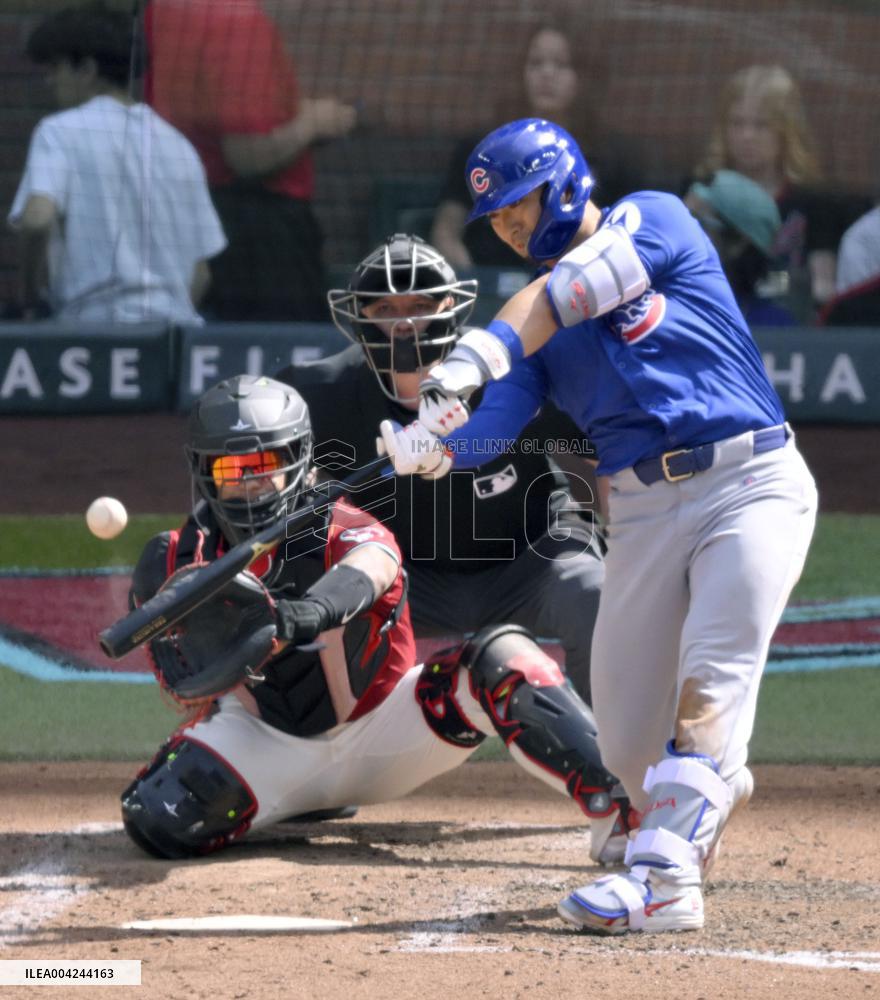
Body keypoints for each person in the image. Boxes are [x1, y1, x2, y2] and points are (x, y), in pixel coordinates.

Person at [379, 118, 818, 934]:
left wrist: (474, 354)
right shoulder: (535, 338)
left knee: (714, 672)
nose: (511, 226)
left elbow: (560, 295)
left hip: (749, 482)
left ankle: (664, 886)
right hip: (646, 512)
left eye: (519, 204)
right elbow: (494, 429)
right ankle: (700, 788)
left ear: (566, 178)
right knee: (624, 749)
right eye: (498, 219)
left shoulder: (654, 219)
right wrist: (435, 450)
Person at [120, 374, 633, 865]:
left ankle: (621, 805)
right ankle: (296, 800)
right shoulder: (176, 562)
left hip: (385, 732)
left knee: (502, 657)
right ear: (204, 473)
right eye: (232, 471)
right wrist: (206, 641)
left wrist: (305, 614)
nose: (252, 483)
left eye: (267, 463)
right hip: (263, 741)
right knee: (154, 819)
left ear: (300, 459)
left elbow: (372, 567)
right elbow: (181, 681)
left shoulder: (349, 525)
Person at [276, 233, 607, 710]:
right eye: (384, 308)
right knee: (308, 600)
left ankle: (623, 761)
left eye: (421, 303)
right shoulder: (322, 392)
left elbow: (608, 453)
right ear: (357, 316)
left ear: (452, 306)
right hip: (402, 574)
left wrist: (640, 544)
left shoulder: (518, 375)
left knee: (593, 593)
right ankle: (330, 753)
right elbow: (266, 484)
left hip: (533, 557)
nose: (405, 322)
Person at [7, 2, 226, 324]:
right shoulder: (178, 145)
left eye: (56, 67)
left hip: (90, 333)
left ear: (87, 69)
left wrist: (28, 301)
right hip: (173, 340)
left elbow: (37, 219)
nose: (49, 81)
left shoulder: (59, 132)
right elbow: (201, 273)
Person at [144, 0, 356, 321]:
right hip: (260, 236)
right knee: (279, 360)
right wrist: (316, 123)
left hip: (186, 215)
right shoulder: (235, 19)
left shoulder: (163, 9)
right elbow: (248, 155)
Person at [429, 23, 645, 274]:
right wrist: (469, 277)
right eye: (535, 63)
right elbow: (446, 228)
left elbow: (628, 236)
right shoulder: (484, 150)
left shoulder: (614, 158)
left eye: (561, 64)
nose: (547, 74)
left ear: (585, 77)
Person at [693, 64, 870, 321]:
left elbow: (823, 291)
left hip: (789, 332)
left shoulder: (814, 203)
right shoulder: (703, 191)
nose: (747, 136)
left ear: (787, 130)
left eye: (761, 125)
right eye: (737, 123)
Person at [685, 170, 796, 327]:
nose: (678, 232)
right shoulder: (648, 306)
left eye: (696, 222)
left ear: (737, 244)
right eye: (678, 218)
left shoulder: (774, 326)